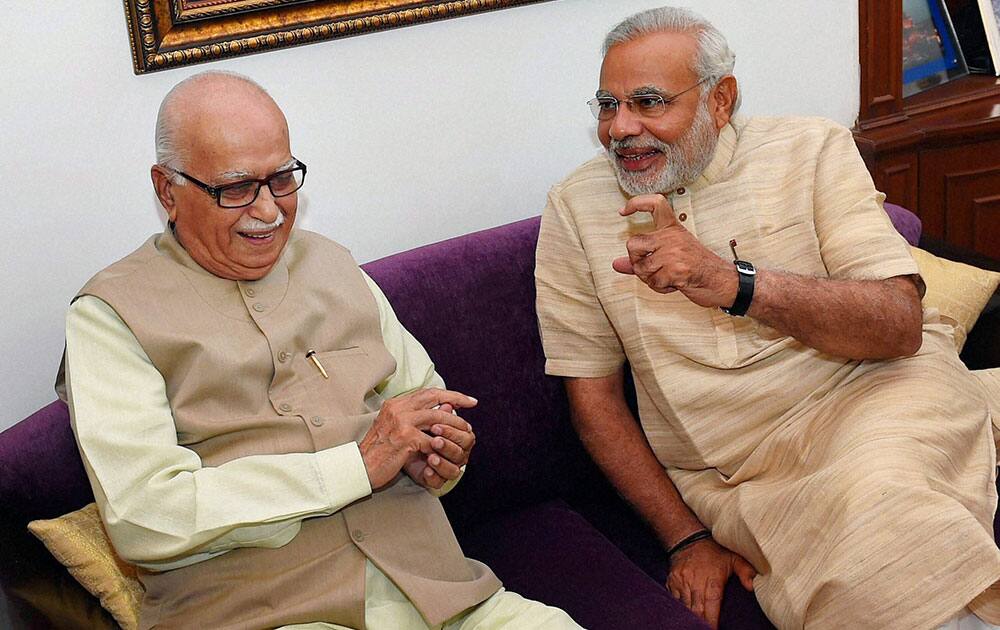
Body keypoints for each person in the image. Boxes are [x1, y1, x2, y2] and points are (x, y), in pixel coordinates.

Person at [58, 70, 580, 630]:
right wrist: (355, 466)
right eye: (236, 189)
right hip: (265, 616)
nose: (269, 211)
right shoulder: (112, 316)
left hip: (444, 598)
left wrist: (440, 457)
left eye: (282, 179)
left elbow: (426, 405)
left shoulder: (333, 264)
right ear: (167, 190)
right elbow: (145, 516)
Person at [534, 6, 1000, 630]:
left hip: (877, 394)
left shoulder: (810, 148)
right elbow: (594, 403)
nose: (621, 128)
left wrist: (732, 282)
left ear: (720, 100)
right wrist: (686, 538)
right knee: (859, 535)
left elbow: (898, 325)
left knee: (886, 507)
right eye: (606, 106)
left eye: (648, 102)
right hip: (740, 471)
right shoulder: (574, 210)